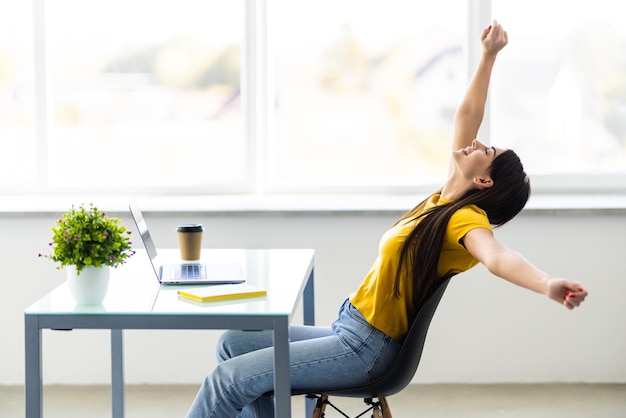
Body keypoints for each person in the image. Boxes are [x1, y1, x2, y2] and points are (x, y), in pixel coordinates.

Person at [185, 20, 588, 418]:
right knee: (234, 343)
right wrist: (488, 56)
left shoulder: (464, 219)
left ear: (484, 179)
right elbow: (468, 113)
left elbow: (498, 257)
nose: (478, 141)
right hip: (349, 327)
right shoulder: (444, 199)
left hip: (367, 350)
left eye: (489, 149)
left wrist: (548, 283)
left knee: (229, 379)